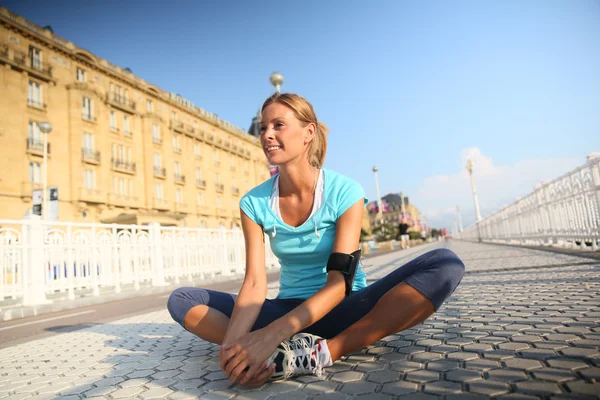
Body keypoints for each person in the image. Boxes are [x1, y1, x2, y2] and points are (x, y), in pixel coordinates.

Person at [167, 93, 465, 387]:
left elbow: (339, 283)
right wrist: (232, 351)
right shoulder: (253, 203)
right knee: (182, 300)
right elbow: (255, 284)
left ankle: (321, 353)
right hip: (287, 308)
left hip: (345, 306)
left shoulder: (344, 192)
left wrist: (271, 334)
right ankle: (274, 353)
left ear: (308, 132)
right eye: (263, 128)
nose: (267, 135)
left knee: (445, 264)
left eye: (278, 125)